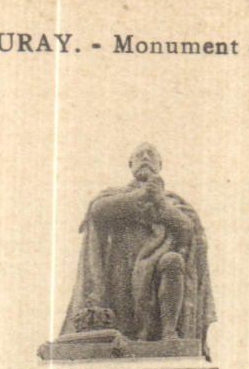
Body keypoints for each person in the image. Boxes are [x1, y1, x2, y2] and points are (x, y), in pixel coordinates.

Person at [59, 144, 216, 354]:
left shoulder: (172, 200)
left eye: (151, 155)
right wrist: (142, 197)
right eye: (139, 156)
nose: (145, 158)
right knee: (125, 315)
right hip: (122, 264)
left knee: (173, 261)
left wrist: (160, 202)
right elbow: (98, 211)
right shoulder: (115, 194)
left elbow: (187, 228)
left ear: (160, 165)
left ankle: (169, 333)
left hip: (159, 265)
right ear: (130, 165)